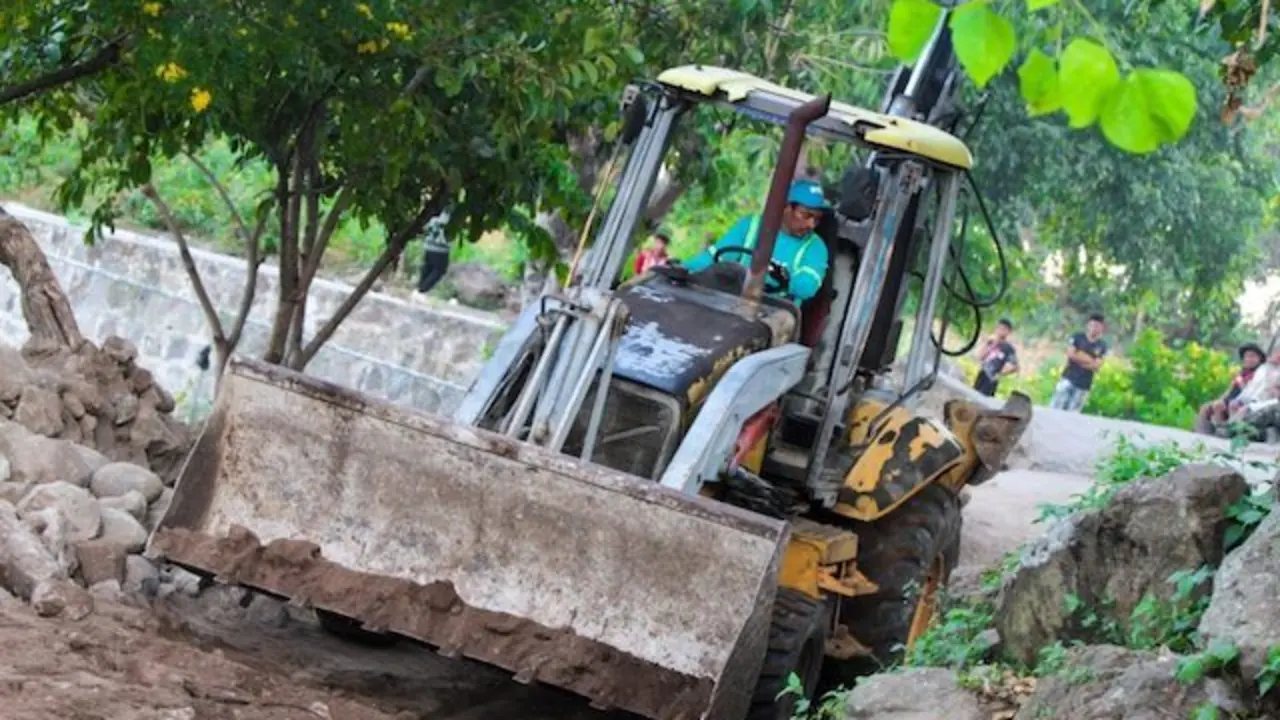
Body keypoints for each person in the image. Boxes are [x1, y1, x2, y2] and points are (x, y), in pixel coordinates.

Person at [682, 179, 831, 304]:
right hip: (732, 299)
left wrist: (781, 279)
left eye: (816, 219)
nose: (811, 224)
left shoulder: (815, 247)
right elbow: (714, 257)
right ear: (786, 207)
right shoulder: (751, 225)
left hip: (774, 310)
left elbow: (807, 287)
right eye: (806, 215)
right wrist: (683, 268)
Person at [1195, 342, 1265, 435]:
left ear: (1259, 359)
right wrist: (1221, 399)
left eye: (1252, 356)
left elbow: (1251, 393)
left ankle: (1222, 431)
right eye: (1246, 356)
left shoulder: (1260, 373)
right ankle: (1202, 433)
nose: (1249, 359)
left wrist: (1241, 383)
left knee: (1224, 405)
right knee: (1207, 407)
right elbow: (1229, 390)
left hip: (1244, 404)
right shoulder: (1242, 373)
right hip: (1229, 401)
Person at [1049, 313, 1108, 412]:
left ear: (1102, 328)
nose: (1094, 328)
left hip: (1083, 385)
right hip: (1068, 378)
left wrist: (1079, 356)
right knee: (1055, 408)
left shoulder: (1102, 345)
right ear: (1088, 325)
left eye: (1097, 326)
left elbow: (1096, 366)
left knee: (1072, 414)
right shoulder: (1078, 337)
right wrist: (1090, 360)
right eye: (1092, 325)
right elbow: (1071, 354)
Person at [973, 318, 1019, 397]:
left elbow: (1015, 367)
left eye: (1003, 329)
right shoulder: (990, 341)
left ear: (1008, 332)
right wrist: (990, 345)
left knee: (983, 400)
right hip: (982, 374)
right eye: (998, 328)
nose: (1000, 331)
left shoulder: (1008, 348)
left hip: (991, 379)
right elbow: (979, 356)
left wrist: (1000, 374)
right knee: (972, 396)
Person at [414, 212, 451, 296]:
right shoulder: (449, 216)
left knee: (428, 267)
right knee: (439, 270)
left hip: (429, 245)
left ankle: (419, 289)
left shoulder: (433, 213)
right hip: (441, 247)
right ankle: (422, 290)